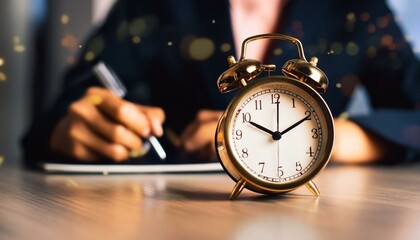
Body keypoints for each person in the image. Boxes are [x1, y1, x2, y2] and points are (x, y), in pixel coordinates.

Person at [23, 0, 420, 167]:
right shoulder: (151, 5)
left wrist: (320, 139)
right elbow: (64, 109)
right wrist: (69, 128)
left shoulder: (357, 8)